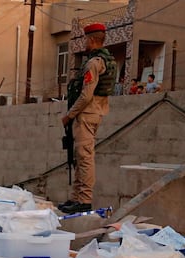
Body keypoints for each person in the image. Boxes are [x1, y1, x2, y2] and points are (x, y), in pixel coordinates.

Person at [59, 23, 116, 214]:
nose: (84, 42)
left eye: (85, 39)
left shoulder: (93, 63)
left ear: (91, 39)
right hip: (95, 112)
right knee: (80, 156)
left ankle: (84, 199)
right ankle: (76, 197)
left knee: (84, 158)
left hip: (87, 113)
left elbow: (86, 95)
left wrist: (69, 115)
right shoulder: (104, 60)